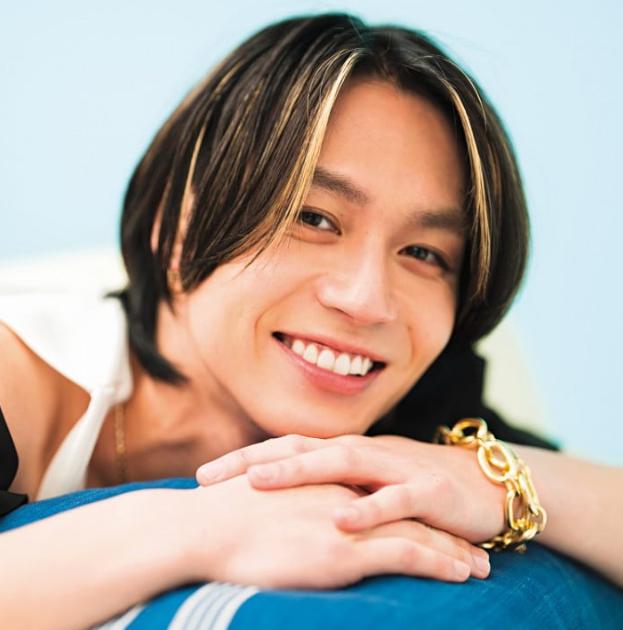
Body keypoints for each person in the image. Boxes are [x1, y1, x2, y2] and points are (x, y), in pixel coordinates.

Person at [0, 12, 621, 629]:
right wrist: (197, 526)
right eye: (314, 218)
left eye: (424, 253)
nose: (367, 301)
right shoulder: (19, 382)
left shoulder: (416, 414)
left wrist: (494, 480)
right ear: (177, 224)